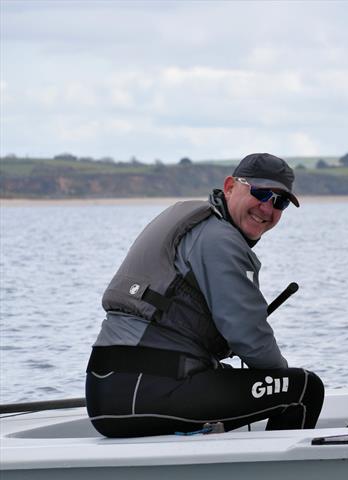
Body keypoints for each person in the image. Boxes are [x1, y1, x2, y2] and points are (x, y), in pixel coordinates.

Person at [86, 153, 324, 437]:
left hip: (110, 389)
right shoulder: (219, 239)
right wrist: (280, 378)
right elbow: (249, 335)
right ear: (230, 187)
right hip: (143, 391)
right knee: (303, 389)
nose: (267, 208)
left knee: (228, 377)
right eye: (261, 193)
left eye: (280, 202)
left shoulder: (194, 221)